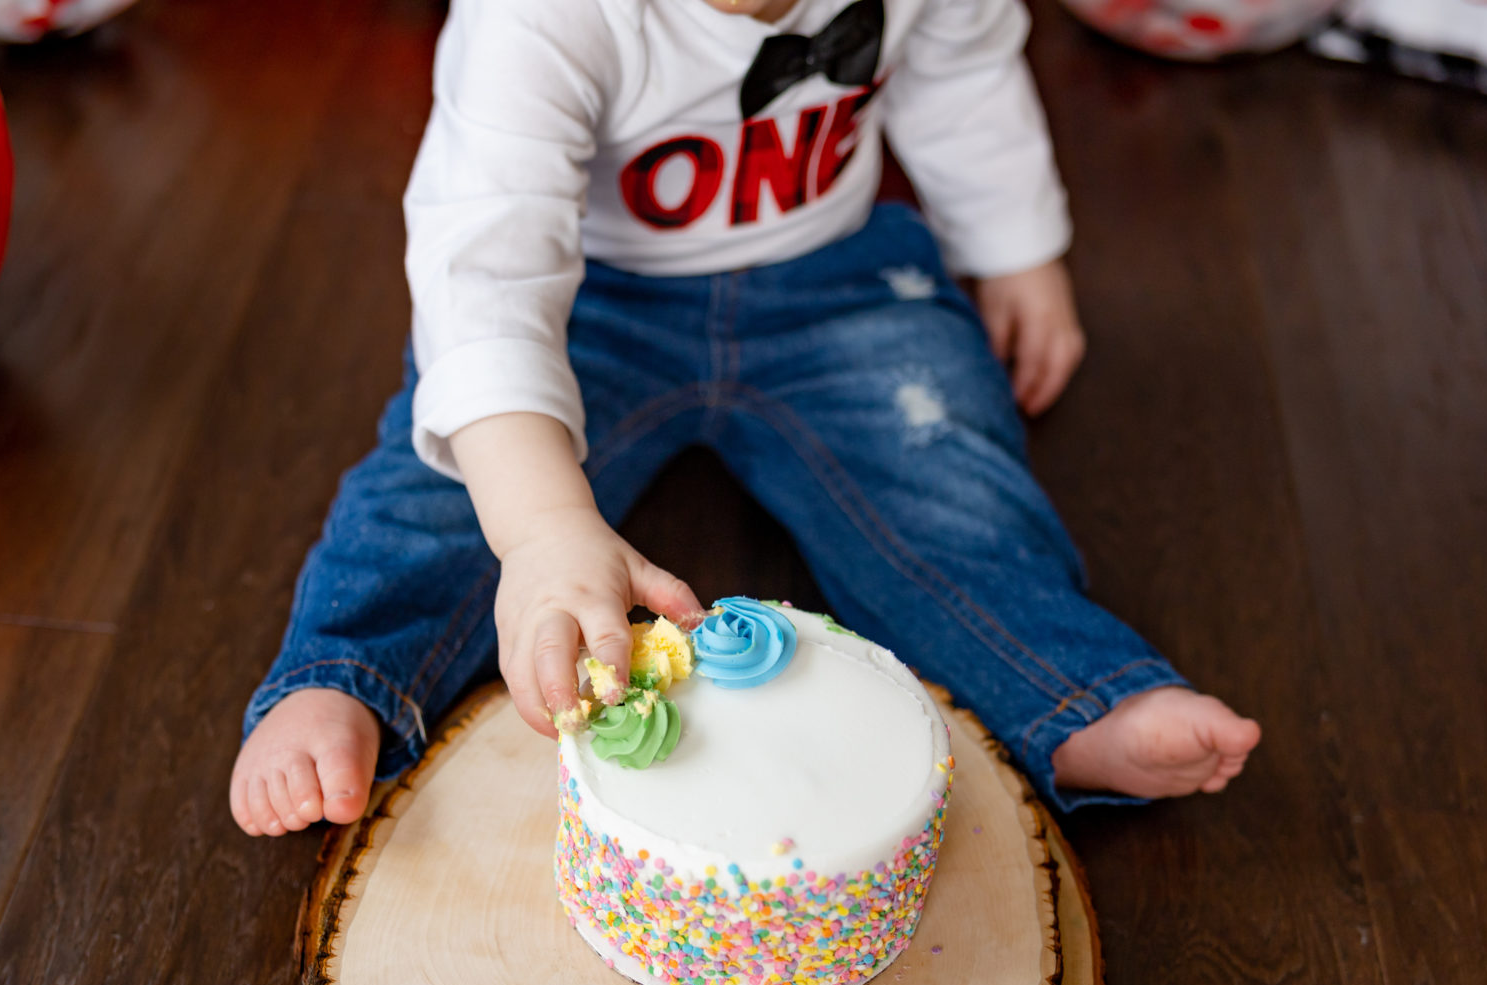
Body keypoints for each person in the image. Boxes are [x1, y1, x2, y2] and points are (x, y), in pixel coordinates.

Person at [230, 0, 1261, 838]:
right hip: (587, 300)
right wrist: (541, 530)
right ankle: (344, 678)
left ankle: (1072, 692)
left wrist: (1016, 250)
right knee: (447, 482)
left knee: (946, 473)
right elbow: (485, 277)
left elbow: (964, 81)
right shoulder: (533, 22)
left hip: (834, 279)